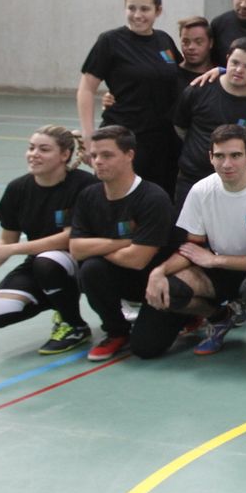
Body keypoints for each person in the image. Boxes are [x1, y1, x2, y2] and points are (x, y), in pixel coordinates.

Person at [139, 125, 246, 359]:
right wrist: (159, 272)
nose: (227, 164)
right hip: (220, 268)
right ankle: (220, 317)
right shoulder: (201, 191)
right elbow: (193, 248)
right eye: (219, 156)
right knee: (168, 288)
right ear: (210, 158)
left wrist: (215, 260)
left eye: (235, 155)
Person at [0, 125, 98, 354]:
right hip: (41, 264)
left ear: (64, 155)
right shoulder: (18, 188)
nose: (34, 154)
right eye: (31, 148)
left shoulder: (83, 185)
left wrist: (14, 249)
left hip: (82, 262)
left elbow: (70, 237)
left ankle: (74, 325)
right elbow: (7, 241)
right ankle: (59, 300)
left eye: (44, 149)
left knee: (48, 261)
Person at [70, 126, 181, 362]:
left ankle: (186, 313)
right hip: (123, 276)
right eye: (95, 155)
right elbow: (76, 249)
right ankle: (117, 331)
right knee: (90, 269)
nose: (98, 162)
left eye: (107, 155)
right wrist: (124, 242)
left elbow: (138, 260)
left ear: (129, 155)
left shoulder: (152, 198)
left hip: (157, 280)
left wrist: (99, 247)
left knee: (146, 348)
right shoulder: (88, 196)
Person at [76, 0, 183, 193]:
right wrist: (89, 136)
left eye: (145, 9)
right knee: (121, 196)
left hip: (163, 140)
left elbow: (181, 78)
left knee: (161, 196)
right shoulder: (110, 41)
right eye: (131, 8)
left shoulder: (164, 41)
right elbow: (86, 88)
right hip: (124, 138)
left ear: (158, 11)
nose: (137, 15)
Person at [171, 37, 246, 211]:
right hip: (193, 179)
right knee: (185, 237)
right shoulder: (199, 88)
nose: (239, 70)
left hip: (238, 185)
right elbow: (180, 126)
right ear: (227, 59)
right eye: (234, 62)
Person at [176, 16, 216, 86]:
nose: (191, 47)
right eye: (185, 42)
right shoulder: (172, 75)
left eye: (198, 42)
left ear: (210, 43)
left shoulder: (218, 77)